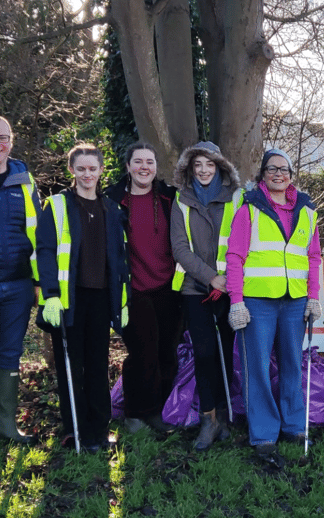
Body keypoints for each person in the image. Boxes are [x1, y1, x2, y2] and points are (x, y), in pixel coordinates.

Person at [226, 148, 322, 465]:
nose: (278, 174)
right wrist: (236, 301)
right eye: (271, 169)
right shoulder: (249, 209)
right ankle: (265, 432)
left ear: (292, 174)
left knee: (294, 363)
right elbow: (235, 258)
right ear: (263, 175)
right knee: (258, 369)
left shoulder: (307, 212)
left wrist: (313, 296)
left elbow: (312, 258)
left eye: (284, 169)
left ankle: (294, 426)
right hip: (258, 302)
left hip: (294, 301)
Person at [36, 144, 129, 452]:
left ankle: (100, 430)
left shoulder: (112, 209)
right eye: (81, 169)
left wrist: (122, 302)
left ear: (101, 171)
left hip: (102, 299)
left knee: (97, 363)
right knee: (70, 366)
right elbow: (45, 252)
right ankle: (75, 429)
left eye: (93, 169)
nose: (87, 174)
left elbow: (119, 259)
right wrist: (49, 295)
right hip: (68, 301)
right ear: (71, 171)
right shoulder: (58, 205)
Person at [104, 143, 182, 434]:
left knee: (166, 352)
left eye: (149, 161)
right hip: (133, 288)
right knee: (142, 353)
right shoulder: (112, 201)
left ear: (156, 167)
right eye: (138, 161)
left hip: (169, 286)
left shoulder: (169, 198)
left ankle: (158, 412)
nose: (144, 167)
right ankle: (136, 414)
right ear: (128, 166)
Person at [171, 141, 243, 451]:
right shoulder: (180, 200)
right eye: (197, 165)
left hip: (230, 288)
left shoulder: (236, 199)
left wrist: (225, 280)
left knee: (227, 351)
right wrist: (210, 277)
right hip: (195, 288)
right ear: (189, 168)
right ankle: (208, 418)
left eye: (209, 164)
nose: (203, 170)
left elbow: (242, 240)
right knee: (204, 353)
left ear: (220, 167)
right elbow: (179, 248)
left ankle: (225, 416)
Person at [0, 116, 40, 444]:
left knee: (11, 353)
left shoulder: (23, 179)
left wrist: (38, 282)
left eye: (4, 137)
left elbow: (37, 233)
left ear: (12, 142)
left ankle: (7, 424)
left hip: (17, 285)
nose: (0, 144)